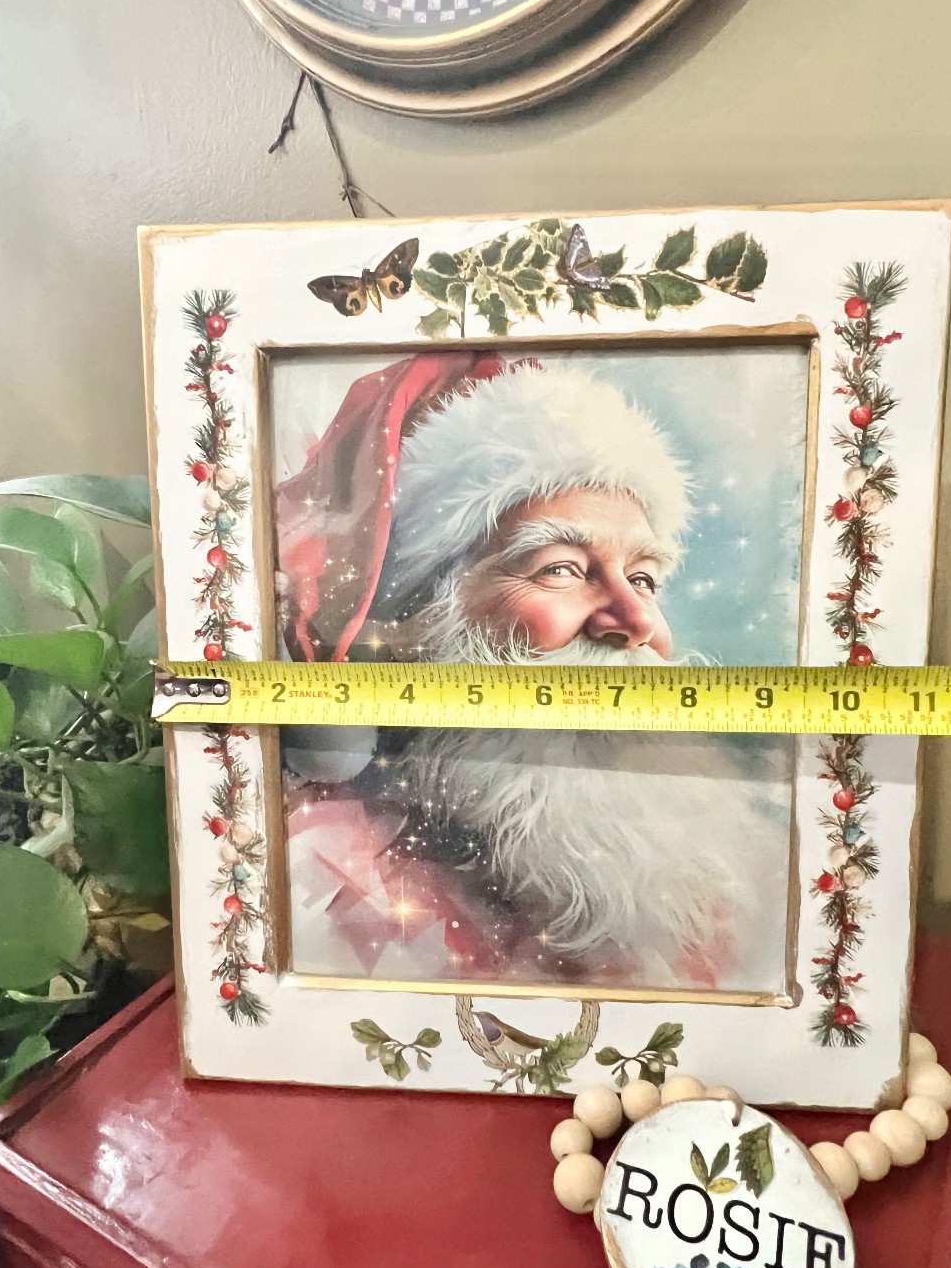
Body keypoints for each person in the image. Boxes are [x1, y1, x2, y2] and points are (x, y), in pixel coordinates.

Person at [275, 354, 791, 991]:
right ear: (424, 619)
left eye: (643, 578)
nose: (635, 622)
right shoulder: (333, 896)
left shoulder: (749, 879)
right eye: (560, 569)